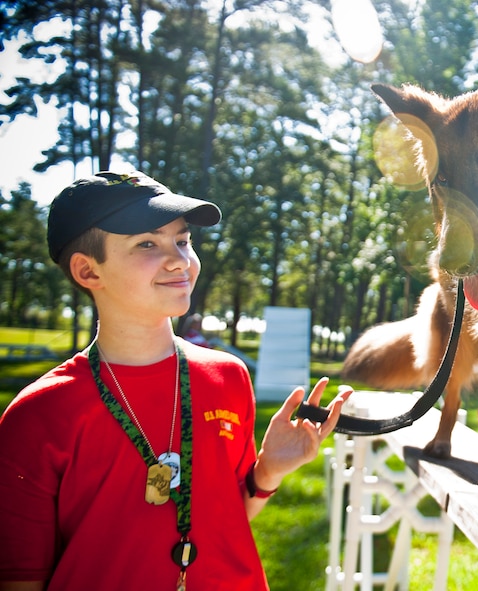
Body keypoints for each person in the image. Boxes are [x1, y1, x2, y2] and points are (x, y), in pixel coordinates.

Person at [0, 171, 352, 590]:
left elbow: (226, 518)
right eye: (147, 243)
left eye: (182, 241)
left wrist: (269, 472)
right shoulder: (39, 414)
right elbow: (20, 578)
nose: (180, 260)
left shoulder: (228, 377)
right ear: (88, 272)